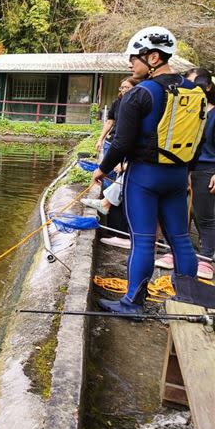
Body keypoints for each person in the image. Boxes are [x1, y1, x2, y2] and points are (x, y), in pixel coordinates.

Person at [92, 26, 207, 315]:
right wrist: (186, 171)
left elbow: (121, 143)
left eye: (135, 58)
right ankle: (187, 304)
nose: (131, 64)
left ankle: (133, 302)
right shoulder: (195, 92)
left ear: (153, 57)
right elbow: (199, 138)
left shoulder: (140, 93)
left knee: (143, 240)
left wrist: (102, 170)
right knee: (180, 239)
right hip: (178, 176)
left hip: (144, 177)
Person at [155, 67, 215, 279]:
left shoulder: (213, 113)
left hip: (208, 169)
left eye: (195, 83)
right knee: (179, 215)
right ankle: (176, 252)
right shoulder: (185, 109)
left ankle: (207, 260)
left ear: (207, 87)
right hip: (183, 167)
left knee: (204, 216)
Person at [82, 76, 140, 220]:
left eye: (127, 87)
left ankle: (113, 215)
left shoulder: (137, 104)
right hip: (112, 142)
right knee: (108, 177)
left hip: (126, 145)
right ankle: (105, 211)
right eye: (122, 87)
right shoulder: (117, 103)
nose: (124, 90)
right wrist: (100, 139)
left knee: (120, 180)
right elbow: (109, 122)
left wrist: (125, 164)